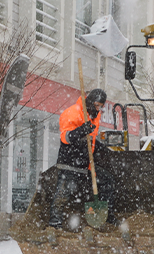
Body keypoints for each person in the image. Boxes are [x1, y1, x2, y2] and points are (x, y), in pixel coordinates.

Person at [48, 89, 117, 228]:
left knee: (107, 181)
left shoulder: (94, 117)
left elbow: (90, 141)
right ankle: (55, 223)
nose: (98, 109)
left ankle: (106, 215)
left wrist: (99, 148)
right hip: (69, 162)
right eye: (97, 105)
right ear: (90, 102)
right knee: (63, 194)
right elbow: (66, 138)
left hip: (85, 164)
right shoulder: (72, 112)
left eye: (101, 106)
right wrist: (81, 131)